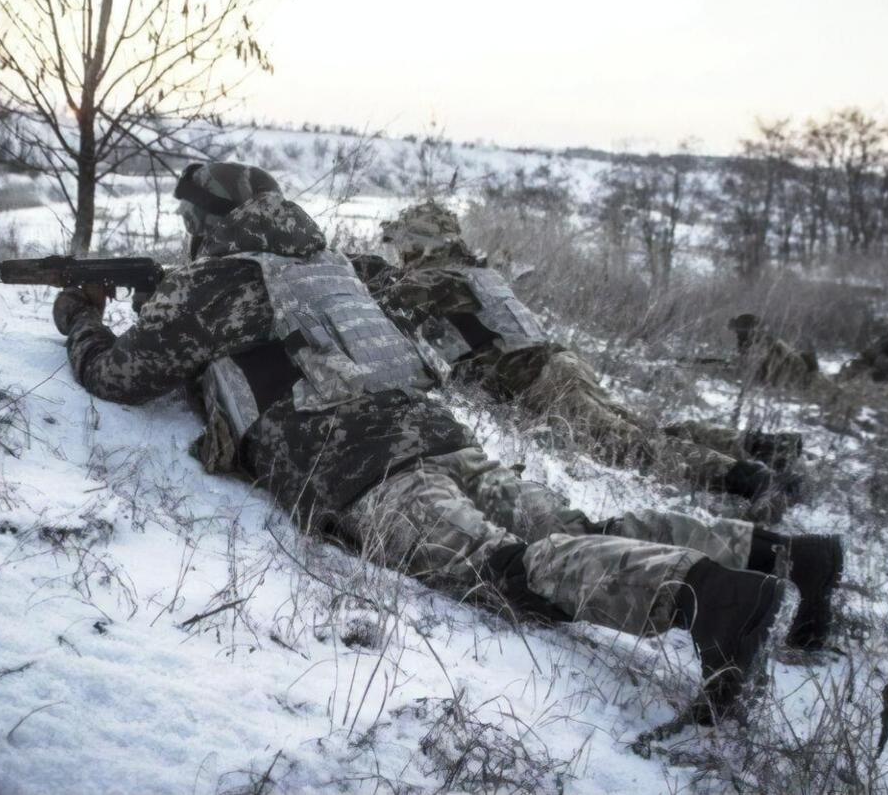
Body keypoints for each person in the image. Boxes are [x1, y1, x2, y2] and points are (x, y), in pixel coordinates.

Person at [52, 163, 842, 721]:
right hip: (439, 435)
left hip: (364, 466)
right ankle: (781, 555)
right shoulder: (328, 264)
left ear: (206, 223)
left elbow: (121, 374)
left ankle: (709, 600)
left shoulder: (221, 281)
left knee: (503, 571)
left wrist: (81, 319)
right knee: (576, 528)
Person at [351, 202, 804, 512]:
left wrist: (352, 270)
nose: (399, 252)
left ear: (420, 244)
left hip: (539, 380)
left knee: (632, 448)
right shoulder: (473, 270)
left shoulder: (437, 277)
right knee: (640, 431)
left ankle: (749, 479)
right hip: (558, 365)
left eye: (403, 243)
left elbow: (386, 303)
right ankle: (760, 447)